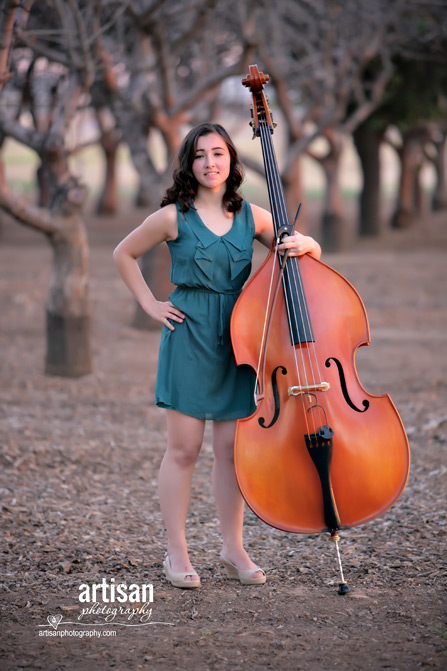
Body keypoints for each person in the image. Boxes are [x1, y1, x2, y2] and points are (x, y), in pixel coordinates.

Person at [113, 122, 321, 589]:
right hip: (188, 336)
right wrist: (150, 303)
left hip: (240, 339)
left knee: (230, 452)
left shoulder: (254, 216)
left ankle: (233, 548)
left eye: (219, 154)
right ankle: (177, 552)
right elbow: (122, 254)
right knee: (184, 449)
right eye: (201, 155)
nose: (210, 163)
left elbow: (298, 249)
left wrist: (308, 243)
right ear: (189, 164)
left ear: (232, 161)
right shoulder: (172, 217)